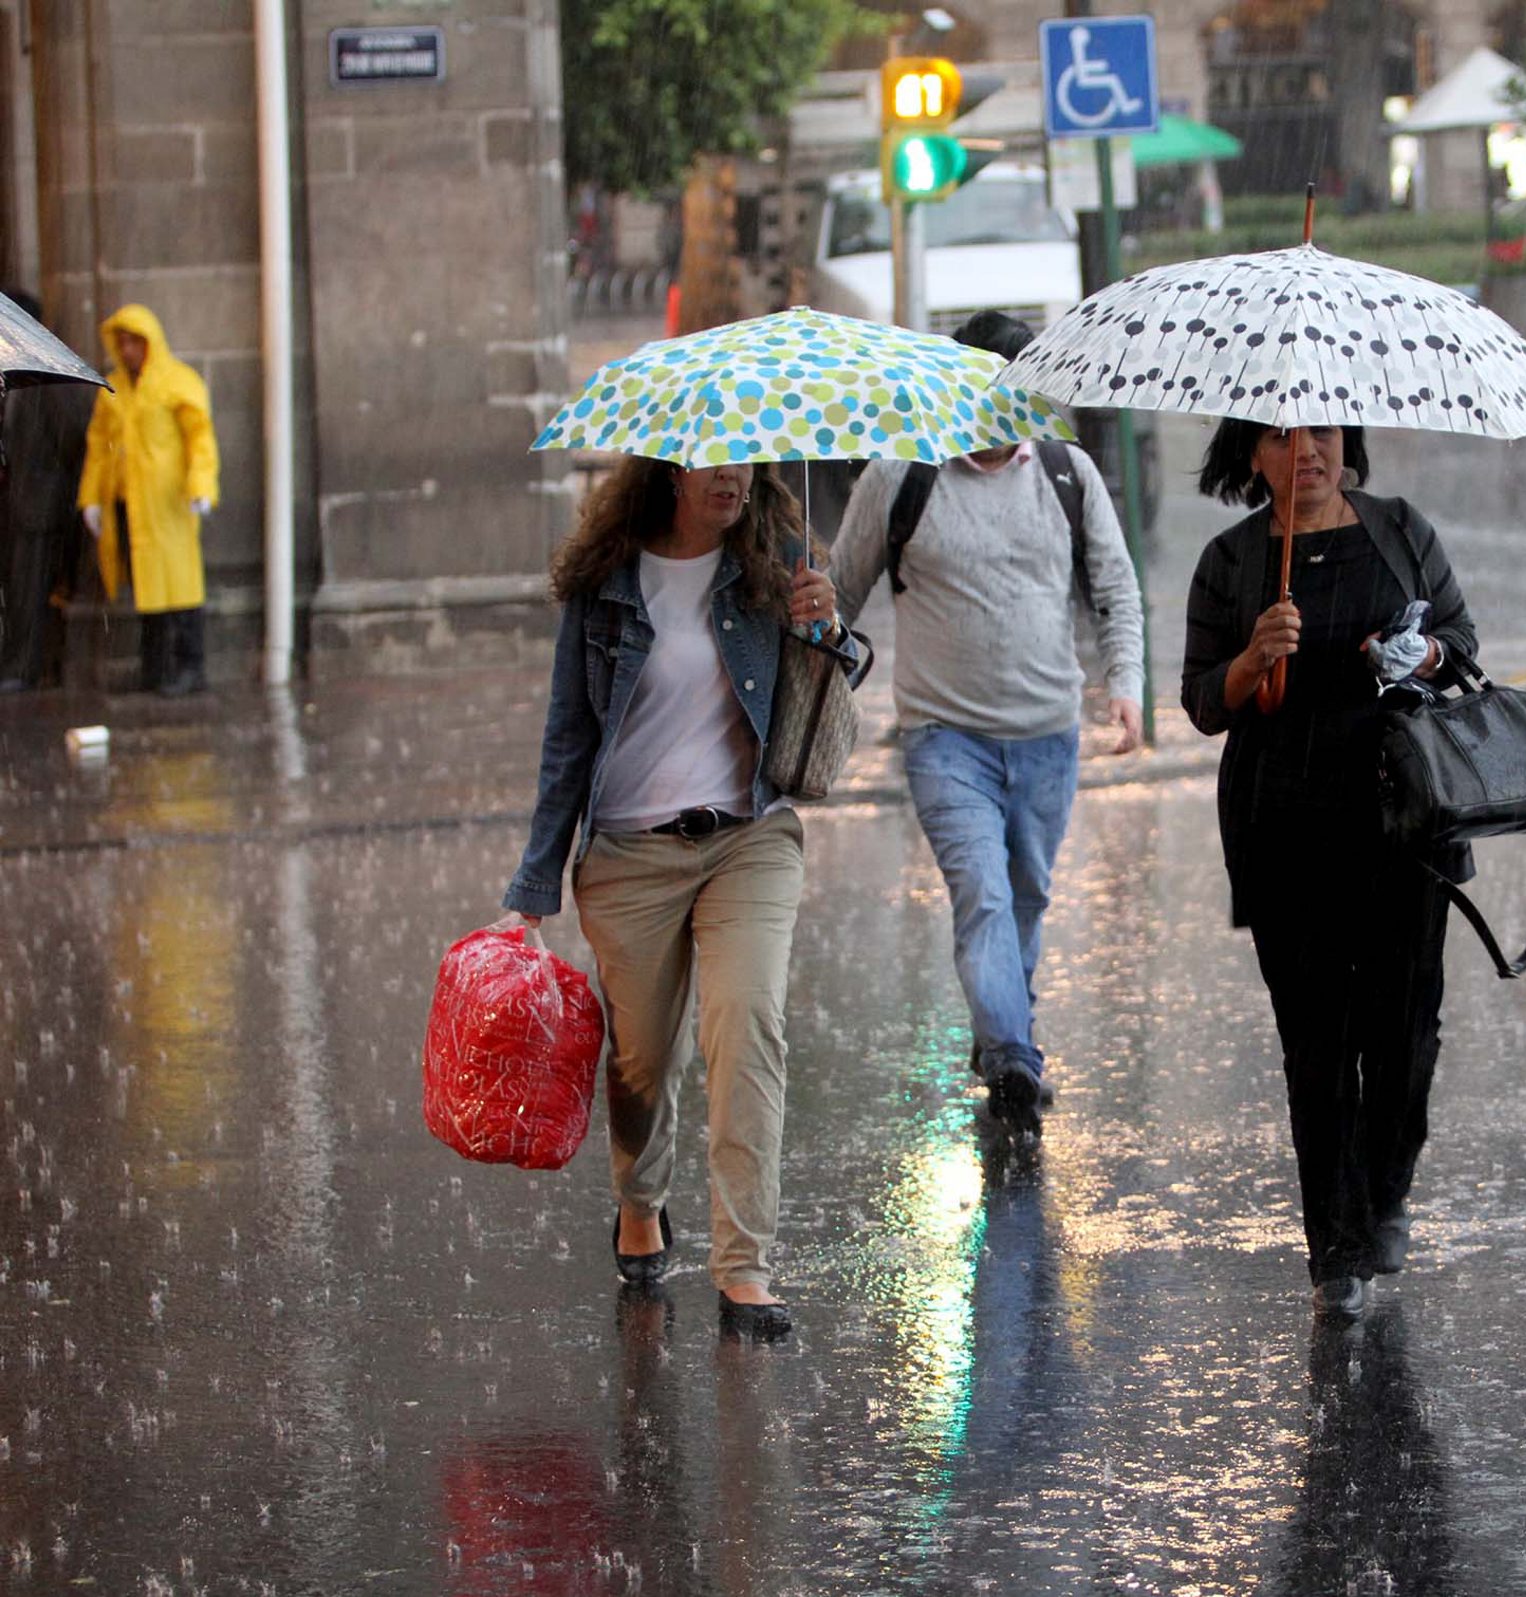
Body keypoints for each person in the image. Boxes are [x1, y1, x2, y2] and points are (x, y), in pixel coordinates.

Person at [499, 455, 848, 1340]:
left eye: (744, 461)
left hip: (749, 838)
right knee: (642, 1061)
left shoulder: (776, 552)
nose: (731, 479)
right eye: (710, 466)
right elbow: (566, 737)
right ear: (668, 471)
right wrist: (533, 887)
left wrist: (825, 629)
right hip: (630, 854)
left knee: (746, 1022)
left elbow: (825, 698)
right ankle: (640, 1197)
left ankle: (745, 1269)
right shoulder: (608, 579)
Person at [1180, 419, 1476, 1321]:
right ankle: (1335, 1250)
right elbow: (1200, 700)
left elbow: (1460, 642)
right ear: (1251, 456)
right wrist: (1251, 659)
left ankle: (1385, 1193)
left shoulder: (1400, 529)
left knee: (1405, 1034)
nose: (1307, 449)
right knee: (1317, 1045)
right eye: (1281, 436)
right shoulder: (1232, 562)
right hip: (1284, 829)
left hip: (1402, 818)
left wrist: (1422, 653)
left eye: (1324, 430)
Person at [826, 310, 1146, 1133]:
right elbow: (842, 588)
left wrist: (1127, 685)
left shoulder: (1067, 473)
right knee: (984, 898)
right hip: (944, 738)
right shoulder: (903, 475)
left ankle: (1003, 1030)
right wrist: (809, 634)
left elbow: (1114, 583)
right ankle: (1012, 1055)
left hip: (1048, 732)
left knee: (1028, 895)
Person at [75, 304, 220, 696]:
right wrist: (91, 497)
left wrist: (201, 485)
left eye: (133, 343)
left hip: (169, 502)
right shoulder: (113, 390)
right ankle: (155, 668)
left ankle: (190, 666)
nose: (127, 351)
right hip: (130, 504)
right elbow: (99, 448)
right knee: (147, 589)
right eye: (121, 343)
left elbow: (199, 438)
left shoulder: (177, 382)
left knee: (181, 587)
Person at [0, 290, 96, 692]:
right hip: (17, 503)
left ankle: (24, 668)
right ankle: (18, 663)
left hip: (40, 505)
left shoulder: (48, 382)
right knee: (18, 588)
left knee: (30, 589)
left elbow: (73, 440)